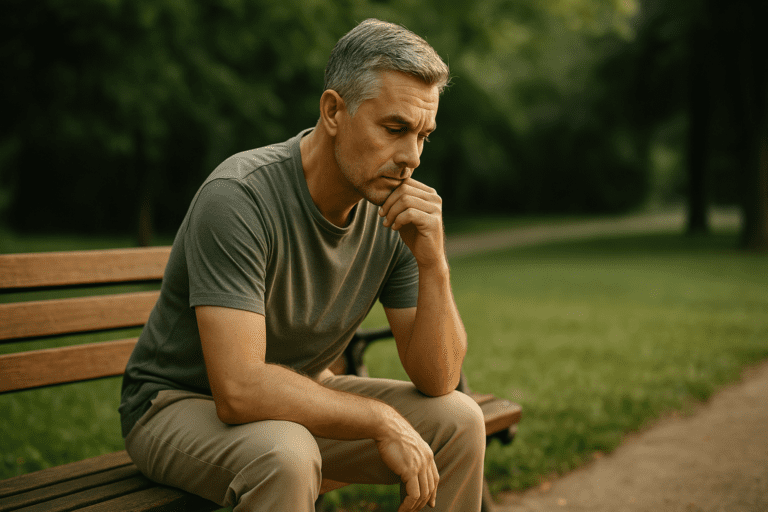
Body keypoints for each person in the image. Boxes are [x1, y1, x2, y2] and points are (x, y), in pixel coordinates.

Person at [119, 18, 485, 512]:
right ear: (334, 110)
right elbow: (240, 390)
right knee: (285, 455)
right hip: (177, 404)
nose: (412, 157)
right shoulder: (240, 197)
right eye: (395, 129)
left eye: (423, 135)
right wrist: (380, 420)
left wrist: (434, 264)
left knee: (459, 420)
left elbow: (438, 380)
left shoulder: (393, 212)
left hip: (299, 394)